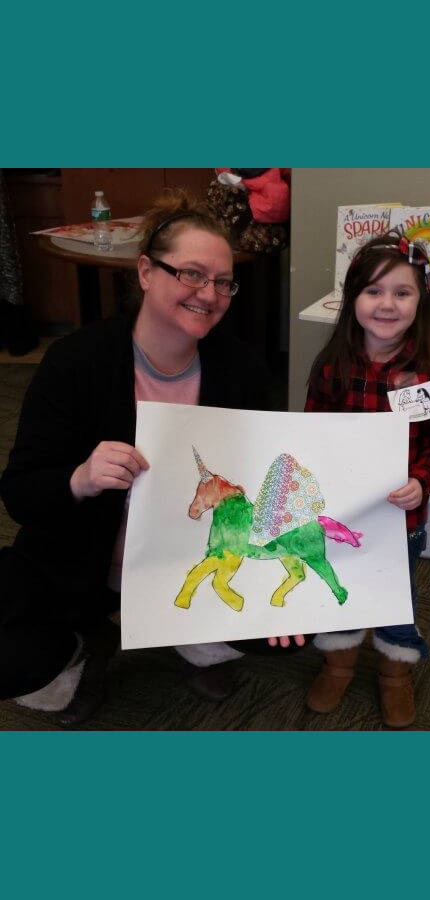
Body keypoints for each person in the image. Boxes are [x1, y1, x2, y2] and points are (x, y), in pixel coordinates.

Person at [0, 189, 301, 727]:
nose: (209, 294)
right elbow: (20, 492)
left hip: (189, 557)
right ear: (145, 272)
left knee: (295, 629)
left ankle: (191, 633)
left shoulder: (241, 369)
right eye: (190, 274)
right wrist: (79, 478)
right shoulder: (77, 362)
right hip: (81, 560)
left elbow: (258, 487)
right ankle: (79, 645)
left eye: (223, 282)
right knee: (11, 654)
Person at [304, 232, 430, 727]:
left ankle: (395, 675)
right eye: (373, 290)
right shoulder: (332, 366)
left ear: (421, 301)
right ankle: (339, 663)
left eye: (402, 292)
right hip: (343, 513)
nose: (387, 304)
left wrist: (422, 481)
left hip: (400, 518)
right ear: (353, 299)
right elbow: (310, 435)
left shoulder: (429, 372)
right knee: (340, 589)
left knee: (397, 599)